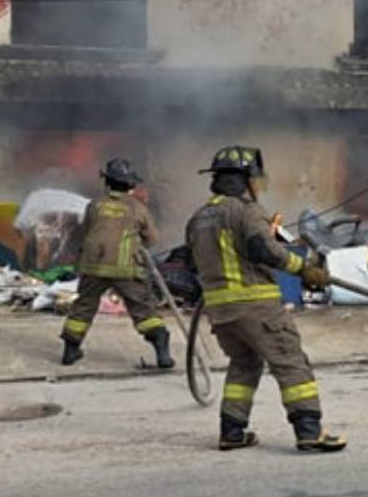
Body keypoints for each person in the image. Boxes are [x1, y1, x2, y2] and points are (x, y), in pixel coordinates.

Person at [184, 145, 344, 453]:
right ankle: (309, 431)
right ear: (243, 180)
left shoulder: (198, 218)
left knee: (244, 364)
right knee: (290, 361)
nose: (257, 187)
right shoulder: (245, 211)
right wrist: (304, 270)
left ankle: (231, 433)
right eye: (255, 180)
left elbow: (192, 263)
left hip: (221, 312)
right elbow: (262, 250)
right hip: (256, 307)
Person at [61, 158, 171, 369]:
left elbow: (86, 232)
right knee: (143, 308)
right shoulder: (137, 208)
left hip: (93, 267)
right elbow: (153, 239)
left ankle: (70, 350)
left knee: (83, 306)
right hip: (126, 268)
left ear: (107, 182)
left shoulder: (94, 206)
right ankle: (161, 350)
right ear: (130, 184)